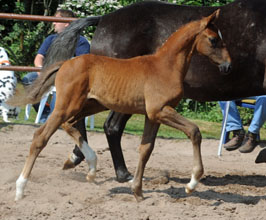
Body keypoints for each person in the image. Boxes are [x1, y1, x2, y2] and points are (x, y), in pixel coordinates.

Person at [22, 9, 90, 122]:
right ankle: (44, 114)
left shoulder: (80, 41)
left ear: (66, 23)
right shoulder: (51, 39)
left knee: (56, 115)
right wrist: (41, 71)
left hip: (67, 79)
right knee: (28, 79)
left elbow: (82, 64)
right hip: (48, 74)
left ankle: (52, 118)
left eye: (56, 20)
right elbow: (39, 57)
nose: (53, 22)